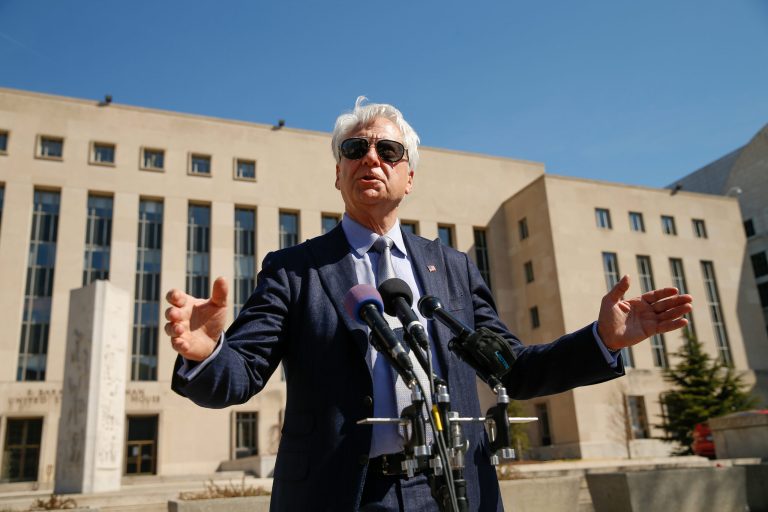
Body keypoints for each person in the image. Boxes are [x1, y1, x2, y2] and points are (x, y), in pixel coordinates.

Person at [165, 97, 693, 511]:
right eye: (354, 150)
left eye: (388, 151)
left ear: (409, 176)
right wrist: (204, 352)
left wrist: (601, 340)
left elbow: (513, 369)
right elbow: (241, 374)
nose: (371, 158)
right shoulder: (294, 270)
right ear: (338, 173)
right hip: (343, 493)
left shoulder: (453, 267)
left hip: (452, 488)